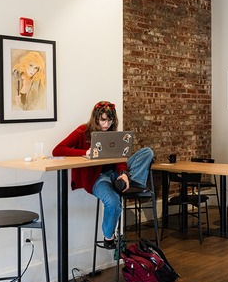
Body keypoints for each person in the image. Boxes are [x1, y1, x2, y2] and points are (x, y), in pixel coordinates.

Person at [53, 100, 154, 249]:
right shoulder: (83, 131)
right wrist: (85, 152)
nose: (106, 124)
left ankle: (131, 181)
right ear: (96, 118)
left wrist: (123, 173)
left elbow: (119, 159)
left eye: (110, 120)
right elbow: (58, 150)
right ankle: (108, 237)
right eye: (103, 120)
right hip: (98, 179)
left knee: (147, 152)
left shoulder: (113, 135)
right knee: (113, 202)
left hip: (116, 174)